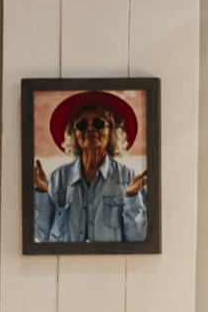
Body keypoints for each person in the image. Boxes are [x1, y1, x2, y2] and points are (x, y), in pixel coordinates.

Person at [33, 89, 149, 244]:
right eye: (81, 125)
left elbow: (137, 238)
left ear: (112, 131)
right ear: (74, 133)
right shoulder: (56, 178)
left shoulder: (128, 178)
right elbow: (41, 235)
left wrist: (132, 196)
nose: (90, 128)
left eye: (98, 123)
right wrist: (41, 191)